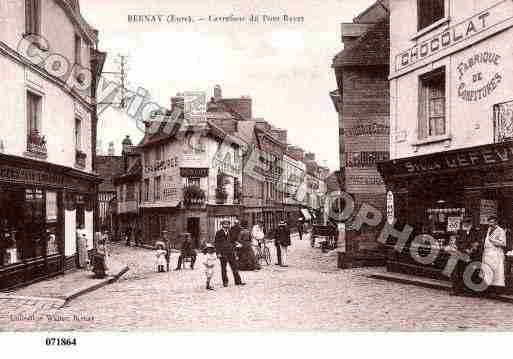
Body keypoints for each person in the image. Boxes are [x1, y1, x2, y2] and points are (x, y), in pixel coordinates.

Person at [449, 217, 482, 296]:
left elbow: (477, 242)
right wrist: (464, 250)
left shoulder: (476, 232)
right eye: (464, 223)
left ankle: (469, 291)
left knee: (470, 272)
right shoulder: (460, 232)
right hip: (461, 254)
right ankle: (457, 290)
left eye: (468, 223)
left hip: (472, 255)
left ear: (471, 224)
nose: (466, 225)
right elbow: (457, 243)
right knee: (459, 272)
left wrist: (471, 250)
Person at [214, 220, 245, 287]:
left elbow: (233, 240)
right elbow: (216, 243)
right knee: (223, 268)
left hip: (230, 252)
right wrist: (218, 253)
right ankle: (225, 282)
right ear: (222, 225)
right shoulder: (218, 233)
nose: (226, 226)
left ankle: (238, 281)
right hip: (222, 253)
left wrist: (237, 244)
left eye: (227, 225)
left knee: (234, 267)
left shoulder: (230, 232)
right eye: (225, 225)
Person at [481, 216, 506, 295]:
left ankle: (496, 290)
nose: (490, 224)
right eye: (489, 222)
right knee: (487, 271)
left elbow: (503, 243)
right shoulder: (488, 230)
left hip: (495, 253)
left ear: (496, 222)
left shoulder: (501, 231)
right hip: (487, 253)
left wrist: (493, 241)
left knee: (496, 272)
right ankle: (487, 289)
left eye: (492, 222)